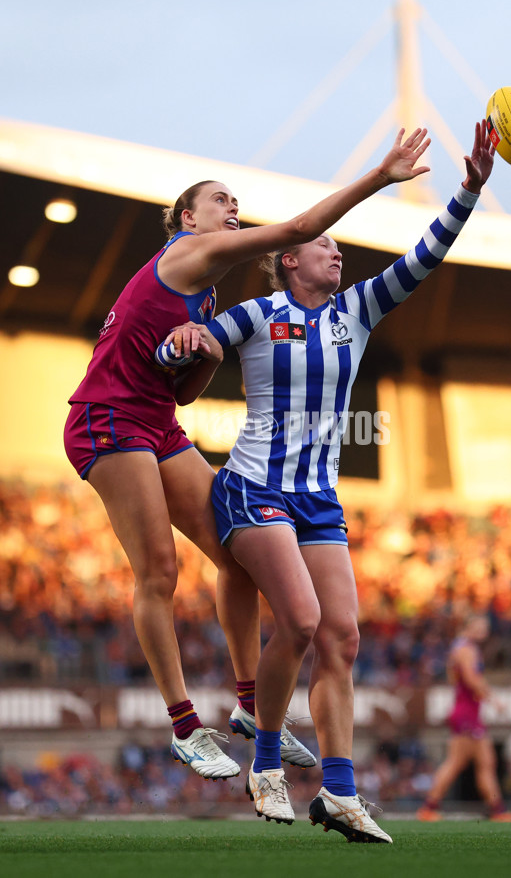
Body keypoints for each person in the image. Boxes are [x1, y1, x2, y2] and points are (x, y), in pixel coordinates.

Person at [62, 126, 431, 784]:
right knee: (159, 572)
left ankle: (248, 706)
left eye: (235, 204)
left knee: (235, 549)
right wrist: (381, 176)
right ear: (186, 218)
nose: (232, 210)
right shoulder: (190, 253)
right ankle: (183, 727)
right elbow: (298, 227)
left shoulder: (203, 293)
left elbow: (183, 389)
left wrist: (196, 353)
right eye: (219, 200)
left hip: (154, 419)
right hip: (106, 418)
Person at [164, 120, 494, 841]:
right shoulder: (255, 314)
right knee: (304, 622)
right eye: (323, 244)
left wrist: (468, 190)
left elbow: (426, 258)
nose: (336, 250)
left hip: (317, 499)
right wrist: (182, 338)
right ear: (287, 259)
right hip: (252, 489)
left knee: (341, 637)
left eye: (337, 246)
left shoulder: (358, 310)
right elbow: (191, 344)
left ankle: (339, 792)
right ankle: (266, 762)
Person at [416, 614, 511, 821]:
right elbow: (472, 679)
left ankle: (497, 809)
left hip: (467, 712)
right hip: (467, 714)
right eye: (481, 625)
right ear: (469, 625)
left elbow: (458, 678)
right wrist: (494, 700)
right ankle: (429, 807)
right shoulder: (466, 649)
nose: (485, 630)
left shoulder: (460, 647)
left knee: (484, 762)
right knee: (459, 763)